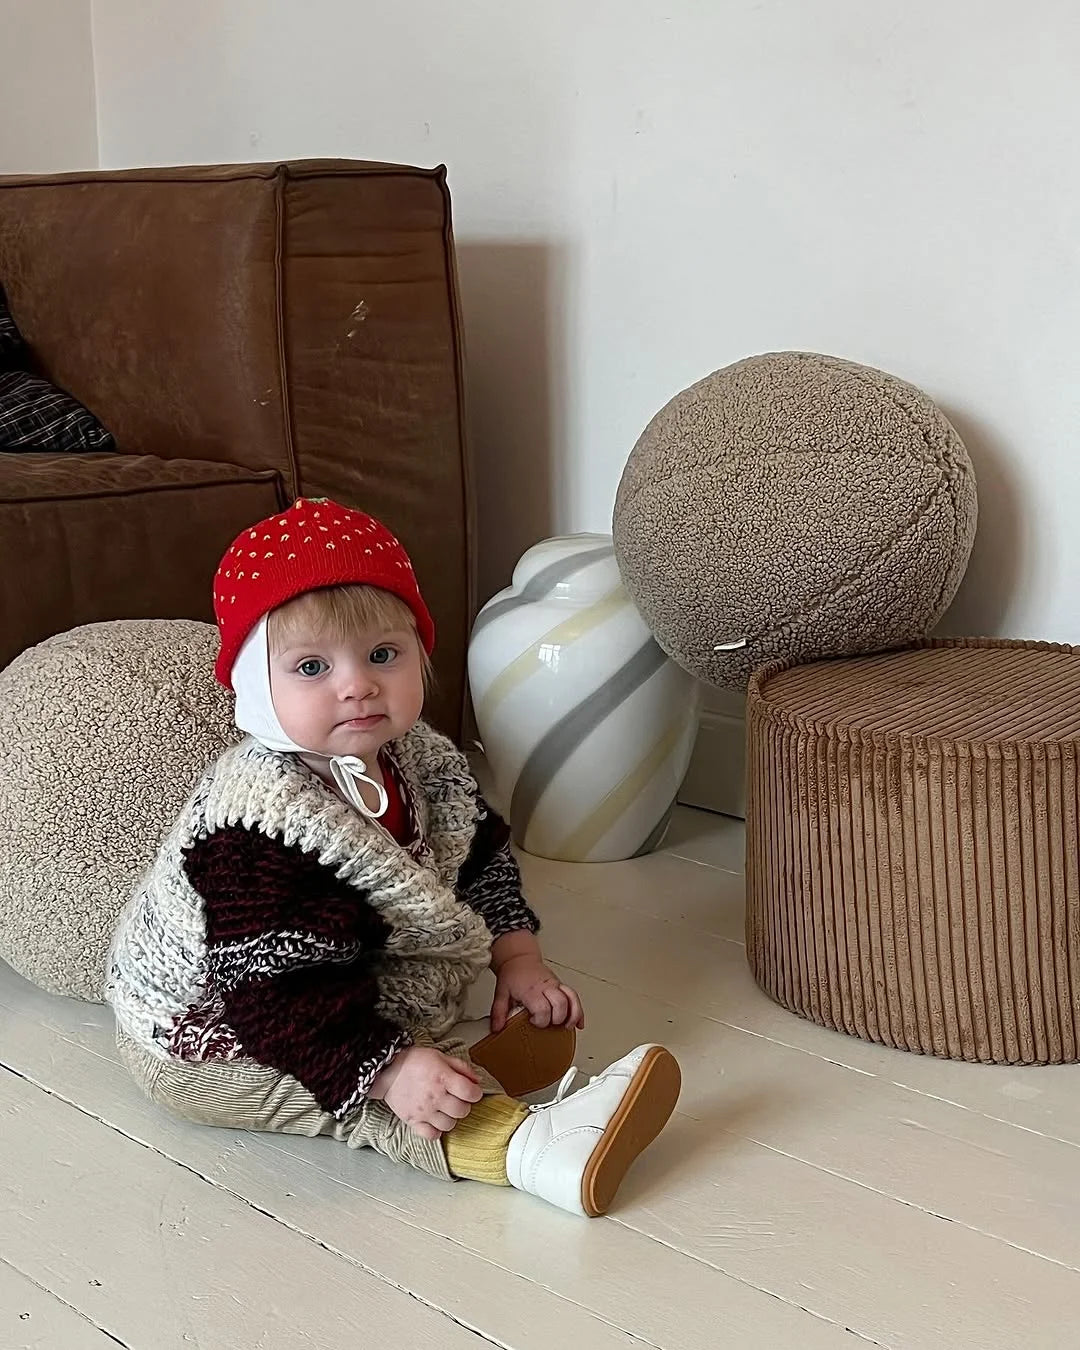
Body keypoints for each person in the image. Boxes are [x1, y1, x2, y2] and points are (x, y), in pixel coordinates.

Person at [107, 497, 681, 1217]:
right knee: (353, 1100)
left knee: (384, 1028)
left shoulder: (421, 763)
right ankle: (529, 1148)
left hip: (317, 980)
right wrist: (387, 1071)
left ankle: (456, 1072)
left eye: (383, 655)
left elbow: (481, 860)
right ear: (257, 685)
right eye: (311, 666)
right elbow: (277, 1002)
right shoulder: (258, 832)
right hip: (218, 1032)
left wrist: (517, 958)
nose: (357, 685)